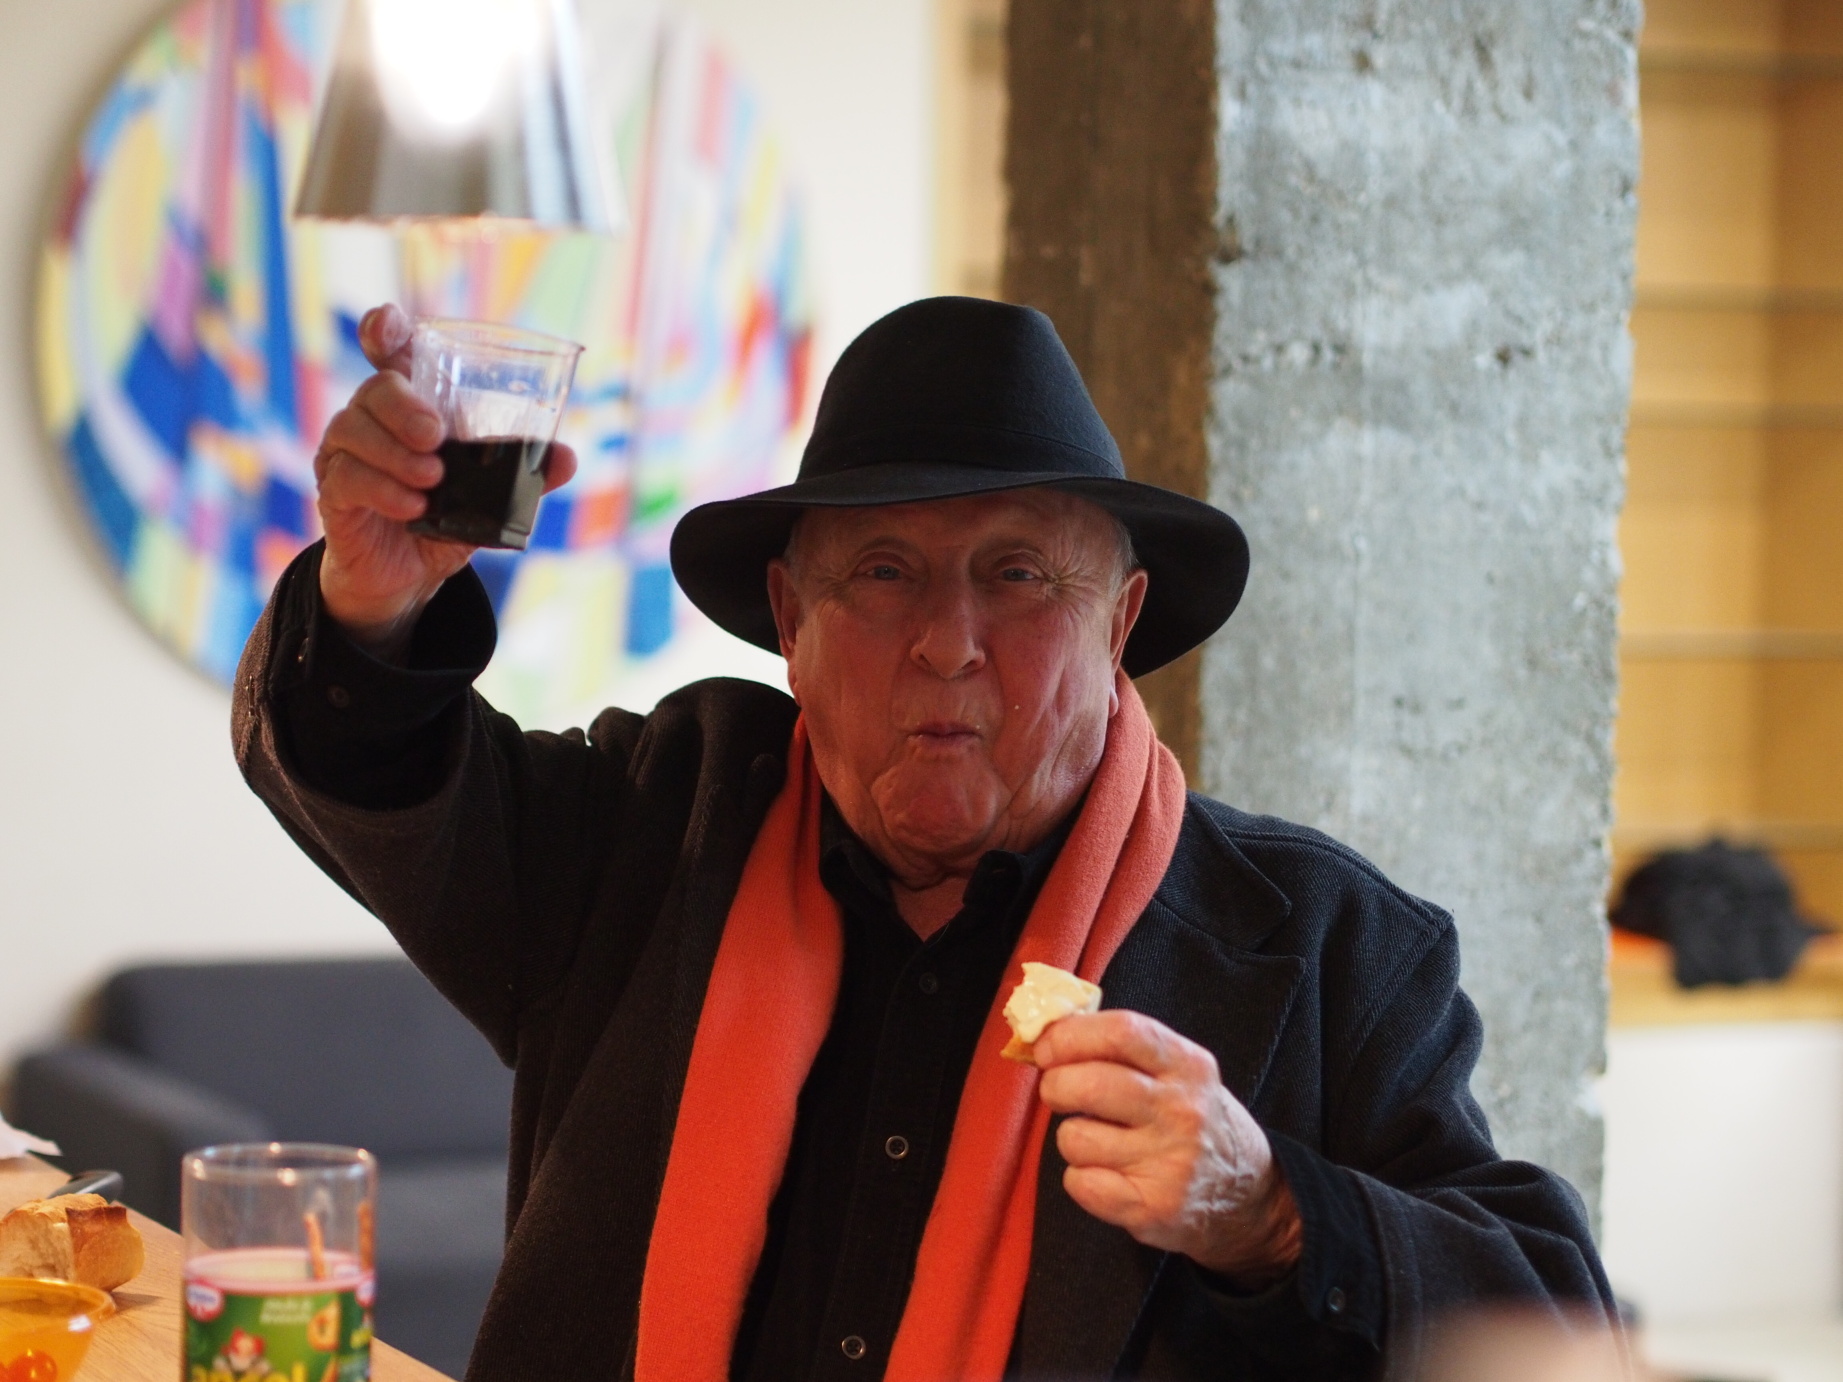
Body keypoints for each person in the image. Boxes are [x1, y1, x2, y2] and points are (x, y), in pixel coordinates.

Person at [234, 296, 1615, 1382]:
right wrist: (374, 599)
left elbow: (1553, 1324)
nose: (949, 642)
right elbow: (380, 772)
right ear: (792, 621)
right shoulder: (654, 825)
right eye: (884, 573)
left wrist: (1269, 1210)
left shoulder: (1322, 948)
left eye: (1017, 574)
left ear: (1120, 624)